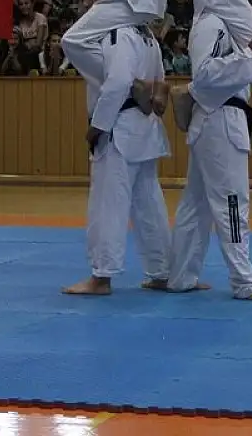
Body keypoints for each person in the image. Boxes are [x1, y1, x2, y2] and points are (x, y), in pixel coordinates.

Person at [167, 0, 252, 302]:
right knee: (233, 200)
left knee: (197, 205)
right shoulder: (211, 22)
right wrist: (249, 56)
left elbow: (241, 72)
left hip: (221, 116)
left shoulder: (233, 25)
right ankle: (245, 281)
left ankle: (180, 277)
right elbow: (205, 73)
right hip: (218, 117)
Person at [63, 21, 172, 296]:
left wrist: (98, 125)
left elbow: (119, 82)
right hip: (144, 127)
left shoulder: (117, 32)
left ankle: (101, 276)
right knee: (149, 203)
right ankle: (162, 271)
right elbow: (159, 82)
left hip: (118, 127)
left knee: (108, 203)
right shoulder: (147, 35)